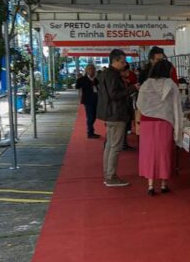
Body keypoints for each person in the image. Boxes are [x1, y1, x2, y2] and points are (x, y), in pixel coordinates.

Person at [136, 60, 183, 196]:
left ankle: (150, 185)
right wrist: (178, 124)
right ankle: (163, 184)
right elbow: (176, 106)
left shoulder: (146, 84)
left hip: (147, 122)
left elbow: (140, 103)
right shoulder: (170, 85)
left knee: (149, 152)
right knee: (164, 152)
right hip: (165, 122)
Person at [97, 49, 139, 187]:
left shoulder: (106, 74)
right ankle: (111, 176)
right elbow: (114, 95)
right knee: (115, 146)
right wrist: (132, 88)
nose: (124, 64)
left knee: (110, 145)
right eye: (122, 61)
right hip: (116, 114)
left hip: (110, 113)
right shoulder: (112, 75)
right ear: (114, 61)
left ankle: (108, 173)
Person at [75, 64, 100, 139]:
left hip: (96, 99)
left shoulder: (96, 79)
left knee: (94, 116)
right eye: (89, 69)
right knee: (90, 116)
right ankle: (90, 132)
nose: (91, 70)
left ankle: (91, 131)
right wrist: (78, 79)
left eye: (93, 69)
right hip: (88, 100)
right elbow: (77, 87)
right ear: (86, 70)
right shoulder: (82, 79)